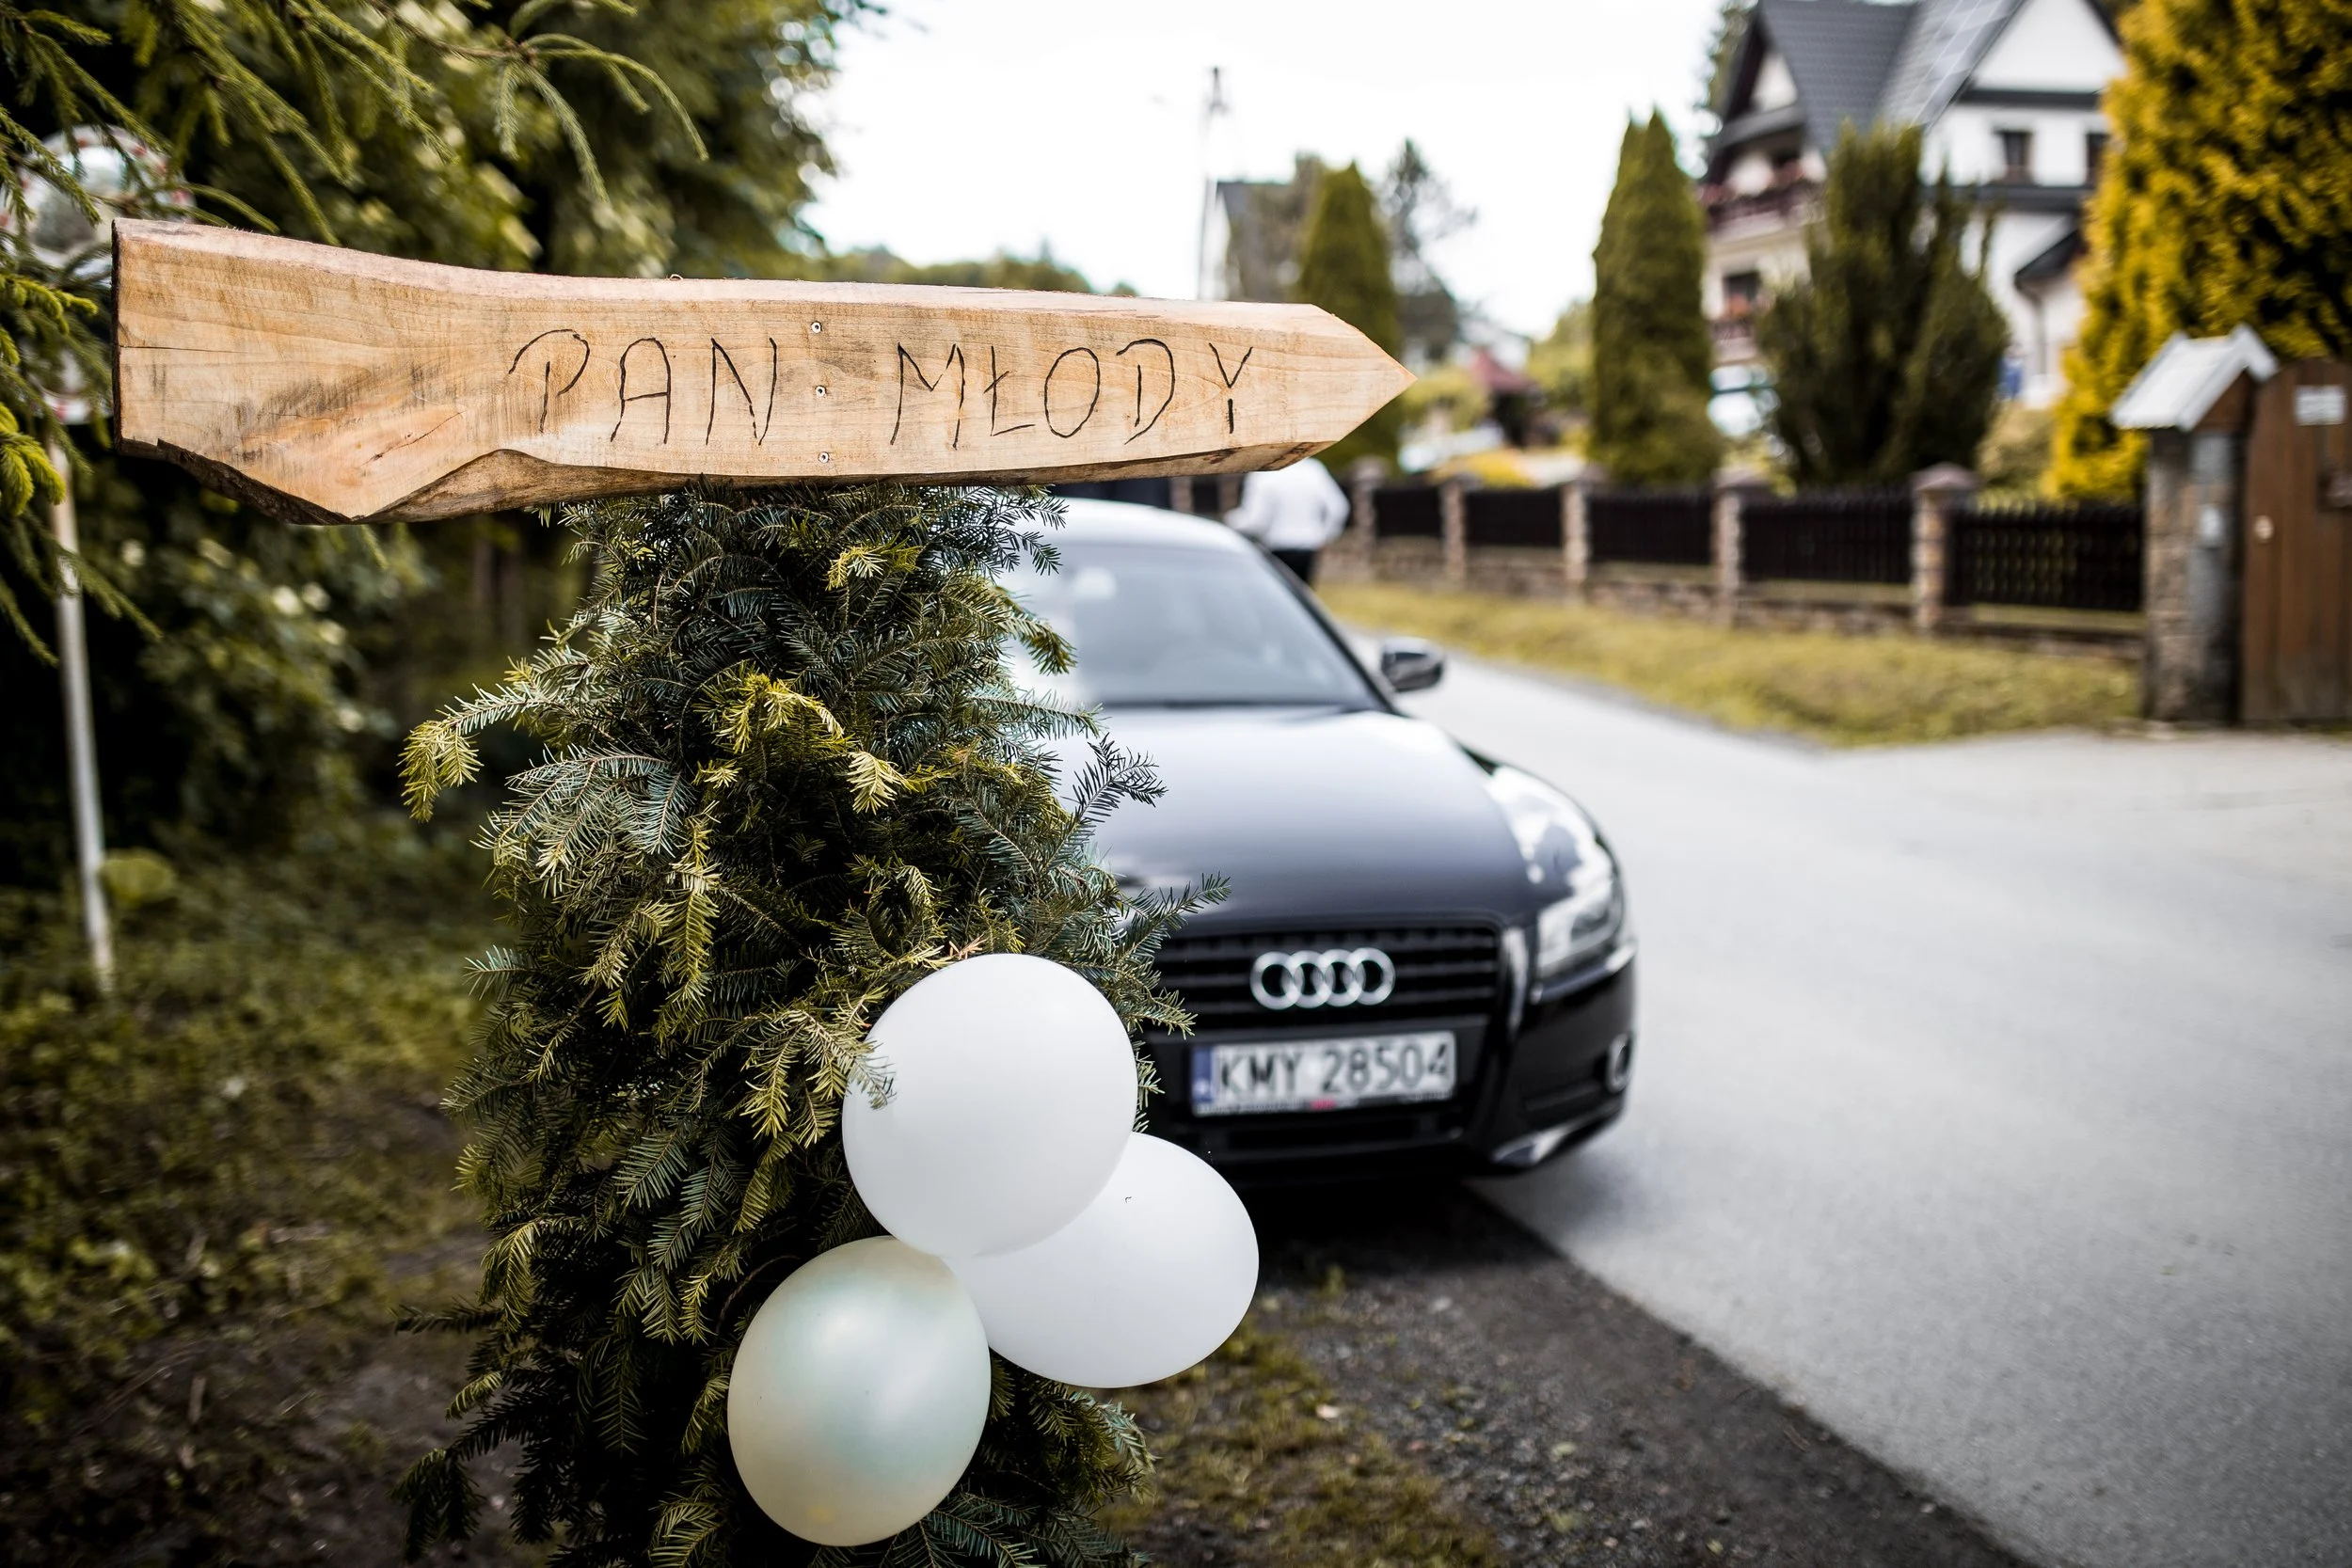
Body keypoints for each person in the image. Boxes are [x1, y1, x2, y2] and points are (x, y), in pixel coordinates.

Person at [1222, 456, 1351, 583]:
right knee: (1299, 592)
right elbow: (1338, 507)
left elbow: (1255, 521)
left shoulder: (1263, 473)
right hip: (1308, 547)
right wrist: (1325, 536)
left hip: (1277, 547)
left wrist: (1229, 521)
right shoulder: (1313, 469)